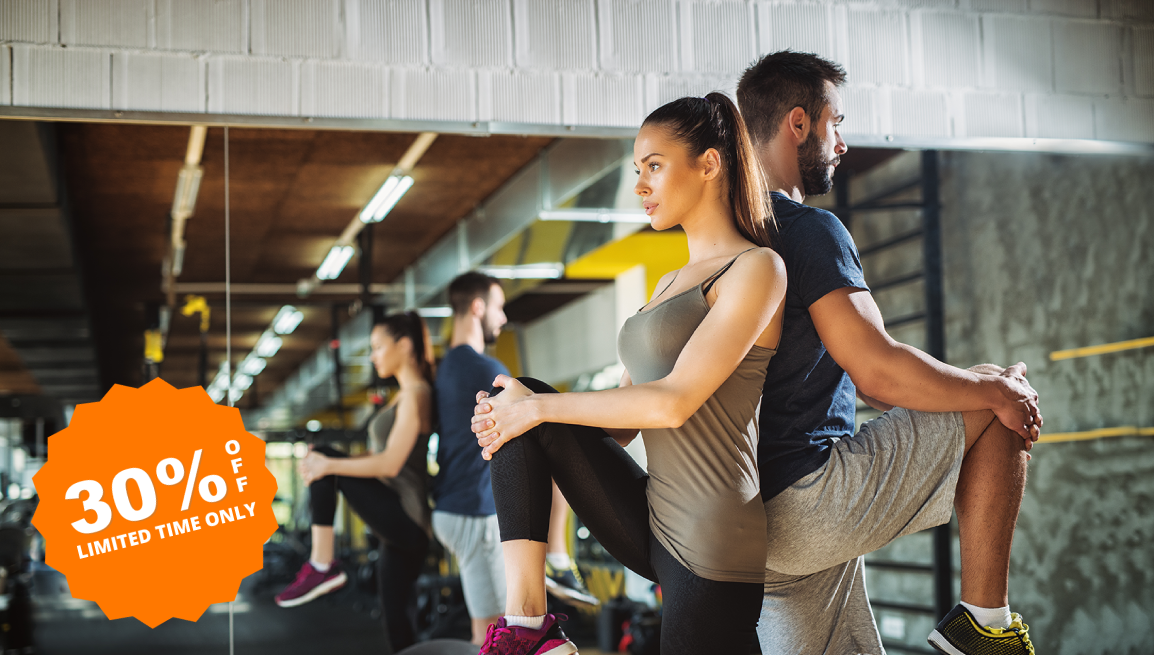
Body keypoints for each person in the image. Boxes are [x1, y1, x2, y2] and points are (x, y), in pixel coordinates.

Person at [736, 50, 1041, 655]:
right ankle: (985, 627)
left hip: (743, 532)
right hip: (804, 501)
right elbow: (875, 373)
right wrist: (996, 390)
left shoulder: (729, 239)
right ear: (799, 123)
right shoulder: (807, 230)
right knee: (1000, 391)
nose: (842, 142)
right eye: (836, 122)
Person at [469, 92, 788, 655]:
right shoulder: (667, 283)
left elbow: (671, 403)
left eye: (655, 167)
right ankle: (527, 628)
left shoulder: (755, 268)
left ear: (710, 164)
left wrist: (539, 410)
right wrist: (522, 415)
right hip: (650, 513)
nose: (640, 185)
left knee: (533, 404)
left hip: (711, 539)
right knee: (516, 398)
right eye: (636, 170)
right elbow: (622, 423)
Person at [434, 273, 599, 648]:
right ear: (477, 308)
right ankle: (556, 556)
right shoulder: (481, 368)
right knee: (495, 634)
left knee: (501, 631)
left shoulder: (446, 367)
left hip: (456, 506)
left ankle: (555, 561)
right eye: (498, 307)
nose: (504, 317)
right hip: (473, 512)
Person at [275, 311, 434, 652]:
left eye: (377, 347)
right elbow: (377, 458)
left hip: (408, 518)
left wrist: (329, 463)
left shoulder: (417, 393)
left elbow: (390, 465)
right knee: (395, 618)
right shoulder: (400, 396)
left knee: (326, 454)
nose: (373, 355)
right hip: (397, 527)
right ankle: (322, 564)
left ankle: (322, 564)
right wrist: (329, 464)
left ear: (404, 345)